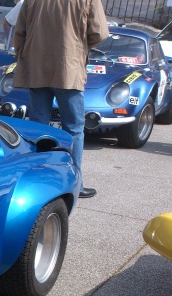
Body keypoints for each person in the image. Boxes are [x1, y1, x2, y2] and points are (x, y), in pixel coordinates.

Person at [13, 0, 108, 198]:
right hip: (68, 66)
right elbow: (99, 33)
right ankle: (75, 182)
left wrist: (24, 54)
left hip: (37, 65)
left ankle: (37, 179)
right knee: (74, 128)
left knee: (38, 126)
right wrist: (77, 45)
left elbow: (19, 31)